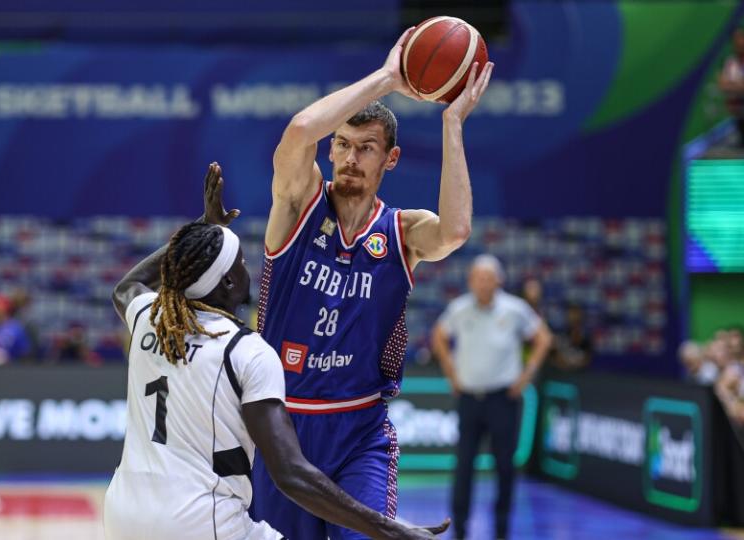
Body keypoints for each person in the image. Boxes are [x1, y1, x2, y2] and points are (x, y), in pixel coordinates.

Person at [104, 163, 448, 540]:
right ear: (230, 282)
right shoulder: (246, 349)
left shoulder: (149, 319)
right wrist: (389, 529)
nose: (249, 267)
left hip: (123, 512)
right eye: (241, 263)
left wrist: (205, 228)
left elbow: (129, 284)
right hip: (202, 517)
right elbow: (291, 474)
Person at [250, 26, 494, 539]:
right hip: (280, 425)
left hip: (360, 430)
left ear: (391, 159)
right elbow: (298, 132)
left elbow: (455, 231)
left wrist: (452, 123)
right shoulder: (299, 206)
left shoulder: (402, 231)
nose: (350, 159)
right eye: (342, 145)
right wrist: (387, 78)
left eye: (366, 148)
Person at [431, 254, 552, 540]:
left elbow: (543, 338)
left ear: (499, 280)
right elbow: (438, 335)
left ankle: (501, 529)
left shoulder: (515, 309)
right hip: (470, 399)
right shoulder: (459, 309)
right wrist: (450, 371)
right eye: (478, 278)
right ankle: (458, 529)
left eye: (489, 278)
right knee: (463, 466)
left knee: (505, 467)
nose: (484, 283)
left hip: (503, 399)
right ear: (471, 281)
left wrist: (526, 375)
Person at [719, 28, 744, 146]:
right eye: (736, 39)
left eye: (741, 38)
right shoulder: (730, 63)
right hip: (736, 111)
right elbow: (723, 85)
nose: (739, 43)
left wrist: (733, 85)